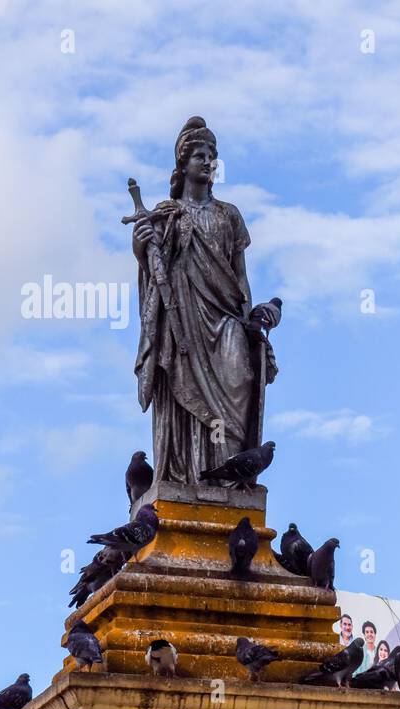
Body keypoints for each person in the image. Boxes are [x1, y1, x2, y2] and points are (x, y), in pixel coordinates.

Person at [131, 116, 278, 484]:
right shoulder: (167, 215)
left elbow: (239, 272)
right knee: (183, 392)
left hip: (225, 314)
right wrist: (140, 245)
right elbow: (154, 270)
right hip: (182, 321)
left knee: (239, 375)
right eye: (200, 155)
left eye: (213, 155)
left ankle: (227, 477)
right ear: (182, 164)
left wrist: (249, 319)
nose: (208, 161)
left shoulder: (229, 215)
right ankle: (190, 476)